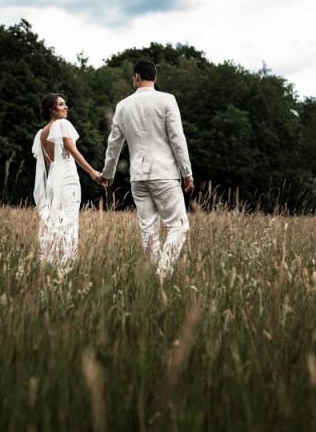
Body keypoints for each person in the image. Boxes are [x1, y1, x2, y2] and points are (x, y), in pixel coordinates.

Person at [100, 61, 194, 278]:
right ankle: (163, 274)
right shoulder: (167, 100)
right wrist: (186, 171)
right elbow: (177, 139)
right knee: (178, 227)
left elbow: (114, 144)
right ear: (155, 77)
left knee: (148, 232)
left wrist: (108, 173)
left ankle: (156, 278)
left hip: (138, 177)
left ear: (136, 77)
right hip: (164, 174)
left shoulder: (123, 105)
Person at [32, 93, 103, 268]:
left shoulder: (41, 133)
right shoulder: (62, 124)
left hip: (53, 182)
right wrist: (92, 172)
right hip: (67, 179)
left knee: (56, 222)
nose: (66, 107)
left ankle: (52, 262)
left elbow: (49, 165)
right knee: (69, 222)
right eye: (61, 105)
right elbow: (73, 151)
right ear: (52, 110)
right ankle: (66, 265)